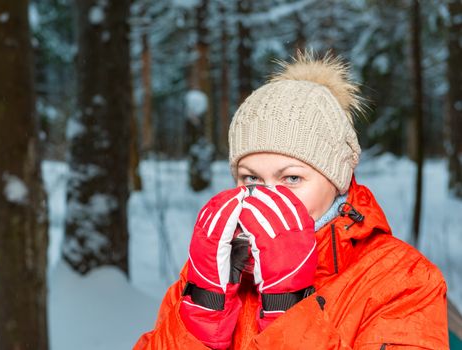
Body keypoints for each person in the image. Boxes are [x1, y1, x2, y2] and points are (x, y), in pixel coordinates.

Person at [134, 51, 448, 349]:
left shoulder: (403, 279)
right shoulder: (213, 271)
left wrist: (289, 307)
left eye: (292, 178)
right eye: (251, 178)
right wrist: (202, 307)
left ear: (336, 180)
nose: (269, 197)